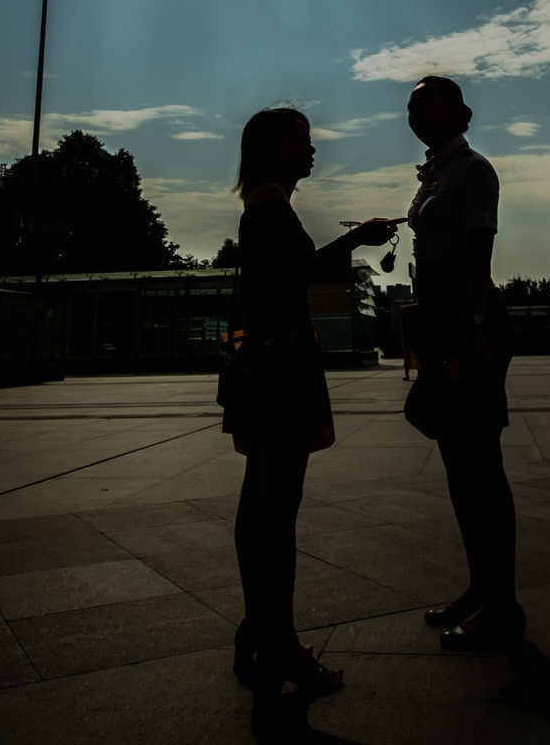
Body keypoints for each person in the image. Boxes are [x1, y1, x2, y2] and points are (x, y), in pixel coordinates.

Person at [222, 106, 400, 739]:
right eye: (303, 138)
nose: (313, 148)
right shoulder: (271, 202)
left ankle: (259, 632)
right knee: (276, 510)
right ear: (274, 149)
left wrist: (352, 242)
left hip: (264, 367)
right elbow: (296, 275)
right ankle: (281, 643)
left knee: (261, 507)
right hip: (281, 369)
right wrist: (357, 240)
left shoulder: (264, 202)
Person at [404, 76, 524, 651]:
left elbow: (480, 250)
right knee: (457, 459)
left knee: (479, 459)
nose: (415, 110)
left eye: (425, 100)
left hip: (467, 323)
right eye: (410, 104)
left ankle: (503, 604)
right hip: (441, 320)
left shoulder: (472, 169)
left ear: (458, 110)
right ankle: (480, 587)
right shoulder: (435, 171)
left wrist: (471, 326)